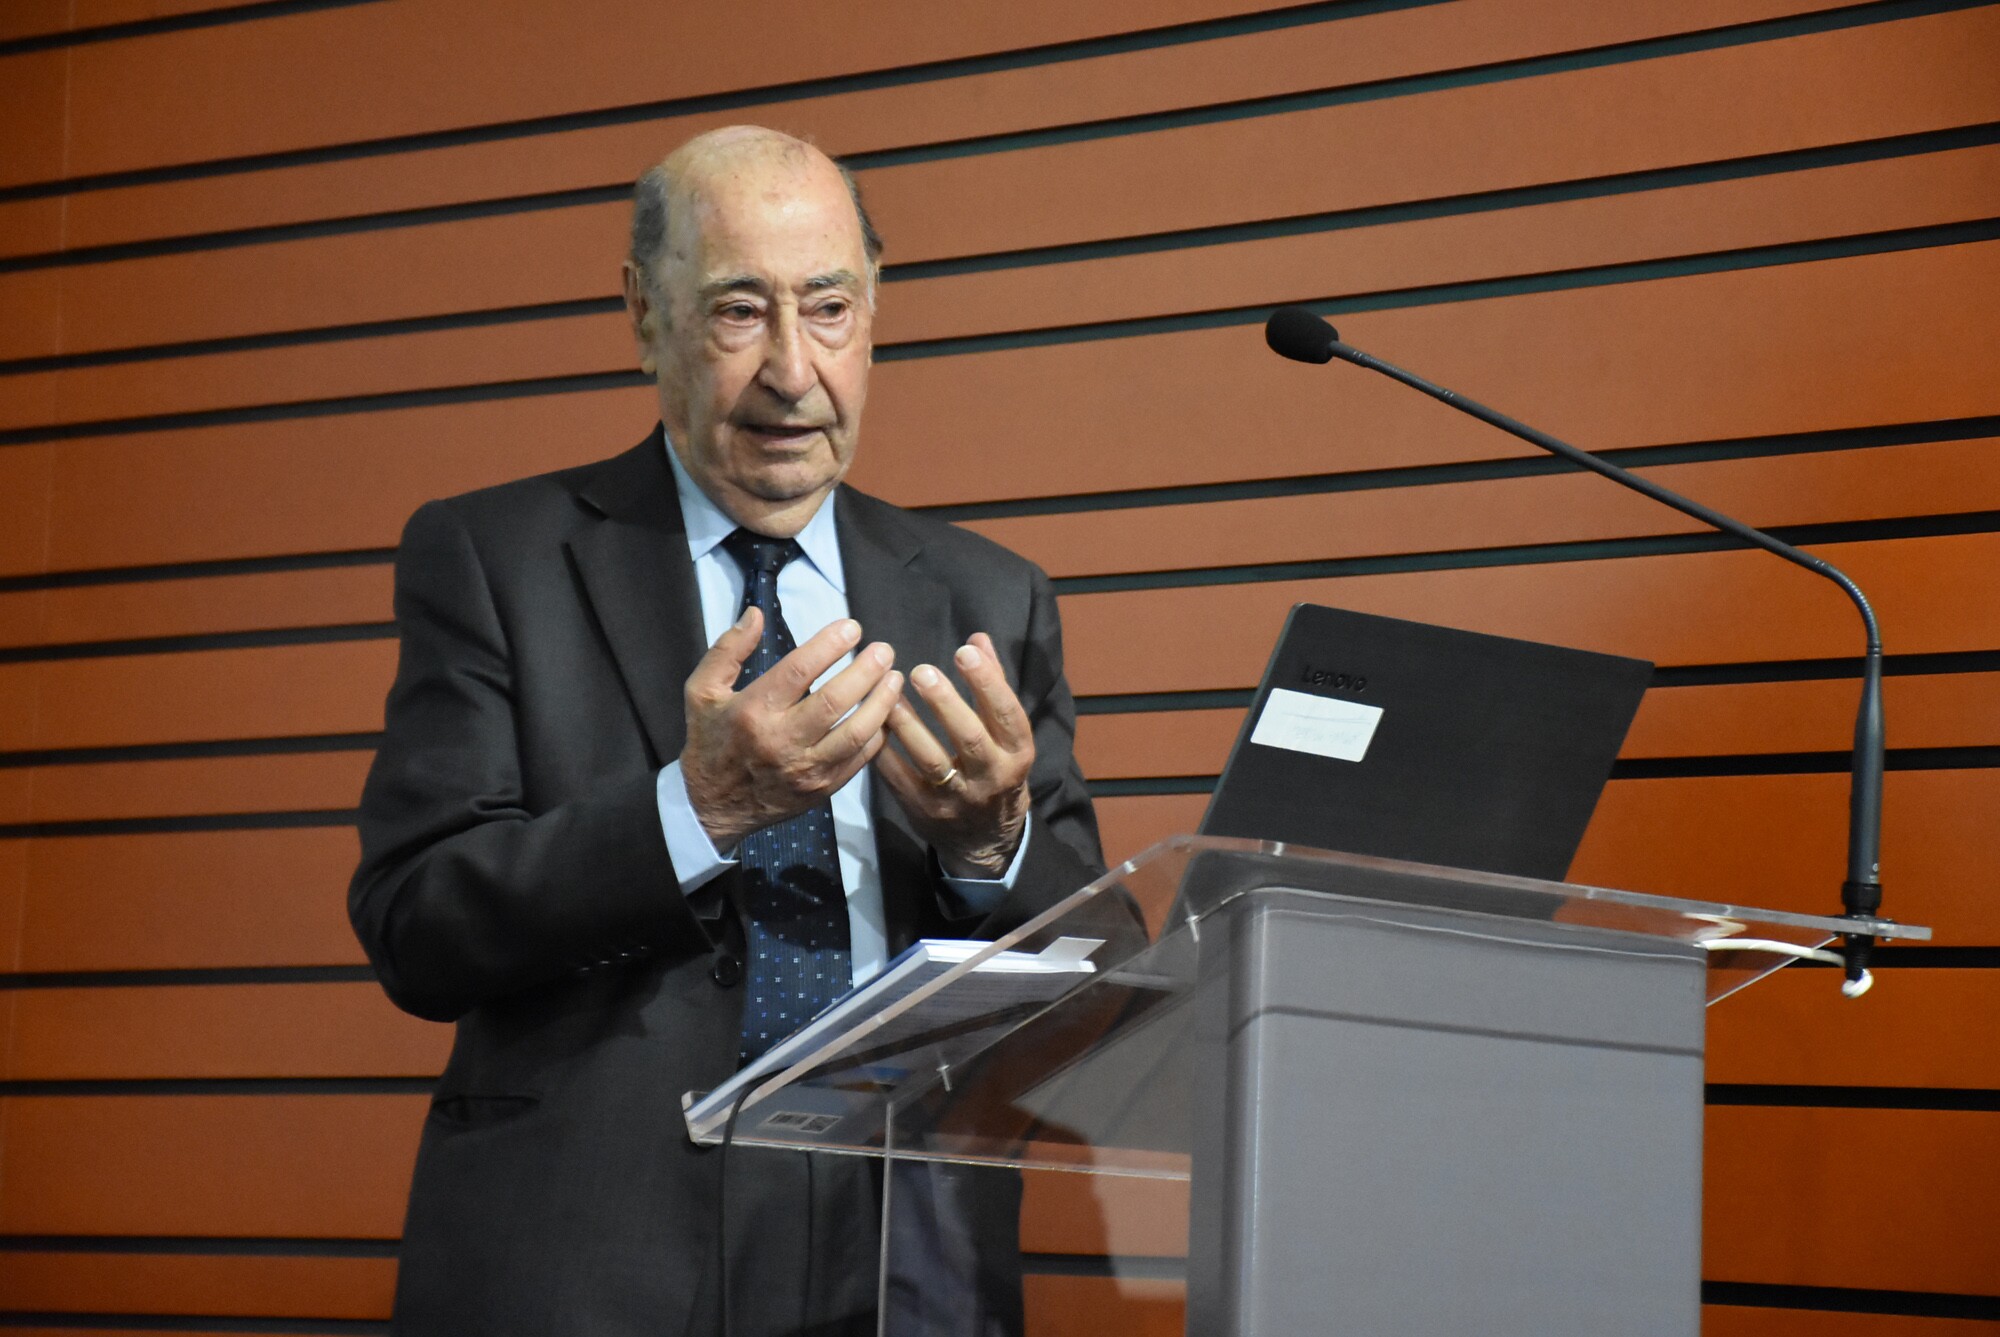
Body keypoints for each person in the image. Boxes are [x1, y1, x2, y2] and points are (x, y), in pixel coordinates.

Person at [348, 126, 1105, 1335]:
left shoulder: (987, 595)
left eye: (828, 308)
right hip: (594, 1258)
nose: (793, 371)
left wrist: (988, 847)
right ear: (644, 314)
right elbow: (415, 923)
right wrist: (694, 810)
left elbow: (1099, 962)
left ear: (875, 309)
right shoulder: (497, 559)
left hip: (900, 1255)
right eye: (739, 311)